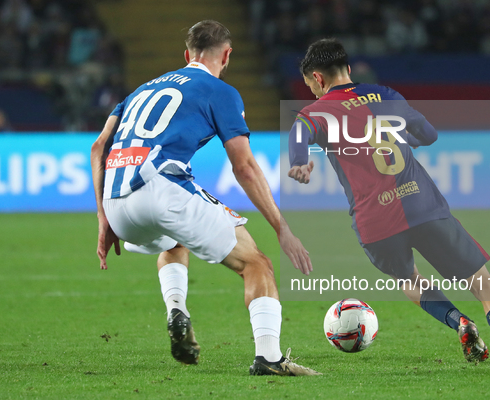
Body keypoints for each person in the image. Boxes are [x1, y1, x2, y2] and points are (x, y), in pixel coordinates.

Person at [288, 38, 490, 366]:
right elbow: (428, 135)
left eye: (311, 87)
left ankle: (459, 321)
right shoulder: (386, 95)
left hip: (374, 221)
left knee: (409, 281)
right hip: (422, 205)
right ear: (346, 67)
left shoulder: (317, 111)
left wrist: (300, 161)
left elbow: (300, 131)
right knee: (482, 282)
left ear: (317, 78)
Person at [90, 20, 320, 376]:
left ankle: (176, 308)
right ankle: (269, 358)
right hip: (161, 187)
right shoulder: (219, 91)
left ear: (187, 55)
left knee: (174, 236)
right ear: (227, 55)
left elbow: (98, 146)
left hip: (117, 202)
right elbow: (244, 167)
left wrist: (105, 218)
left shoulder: (139, 90)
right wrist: (281, 227)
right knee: (256, 263)